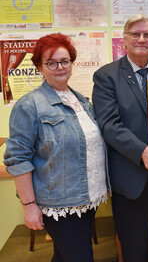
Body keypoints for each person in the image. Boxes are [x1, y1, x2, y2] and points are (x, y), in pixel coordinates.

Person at [4, 33, 109, 262]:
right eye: (51, 62)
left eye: (64, 61)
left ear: (71, 64)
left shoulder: (81, 101)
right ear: (39, 68)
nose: (59, 67)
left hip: (88, 199)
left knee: (63, 256)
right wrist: (29, 205)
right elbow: (18, 159)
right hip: (59, 205)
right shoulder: (29, 105)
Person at [92, 14, 148, 262]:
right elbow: (109, 125)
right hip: (131, 177)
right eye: (135, 34)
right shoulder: (106, 76)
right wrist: (143, 151)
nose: (142, 39)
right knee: (134, 250)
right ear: (124, 39)